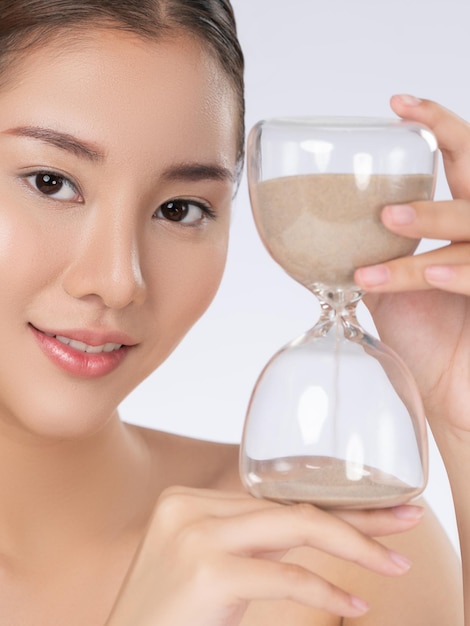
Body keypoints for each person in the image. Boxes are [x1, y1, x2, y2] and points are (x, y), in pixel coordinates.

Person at [0, 1, 466, 624]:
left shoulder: (332, 549)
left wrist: (462, 425)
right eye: (50, 182)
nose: (117, 282)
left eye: (180, 209)